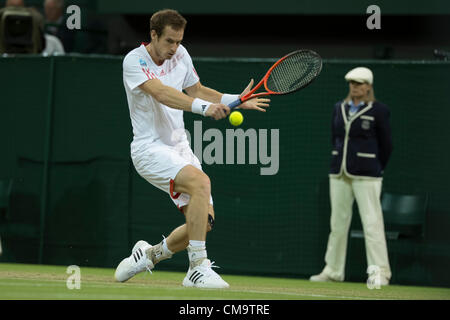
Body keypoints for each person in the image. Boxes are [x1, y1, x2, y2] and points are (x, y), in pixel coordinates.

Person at [115, 9, 269, 288]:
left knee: (203, 222)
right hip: (148, 149)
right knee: (201, 182)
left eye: (179, 41)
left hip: (179, 148)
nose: (175, 48)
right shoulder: (134, 61)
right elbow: (162, 93)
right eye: (170, 41)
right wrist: (205, 110)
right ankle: (197, 267)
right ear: (153, 35)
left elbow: (196, 90)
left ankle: (149, 255)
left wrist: (236, 100)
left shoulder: (181, 54)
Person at [310, 67, 393, 286]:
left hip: (367, 175)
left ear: (368, 87)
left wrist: (375, 167)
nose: (354, 87)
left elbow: (387, 145)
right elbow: (334, 137)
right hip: (339, 171)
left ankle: (379, 273)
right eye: (351, 83)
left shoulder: (379, 110)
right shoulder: (339, 108)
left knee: (372, 224)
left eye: (359, 83)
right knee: (337, 224)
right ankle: (333, 270)